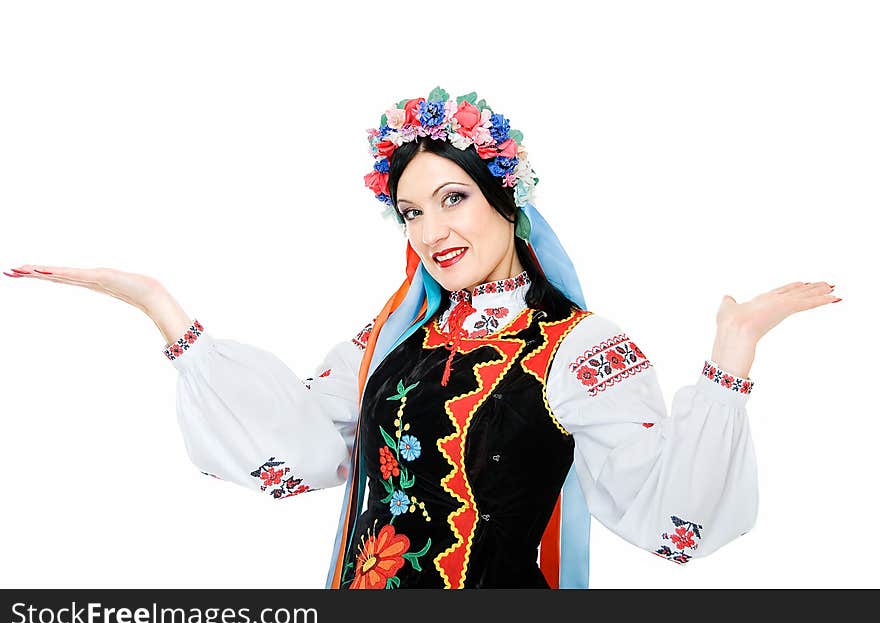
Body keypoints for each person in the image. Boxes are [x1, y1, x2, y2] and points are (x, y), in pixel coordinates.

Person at [5, 87, 841, 589]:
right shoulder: (393, 340)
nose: (432, 228)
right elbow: (299, 452)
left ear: (504, 200)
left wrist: (733, 353)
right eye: (411, 211)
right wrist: (163, 310)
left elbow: (671, 515)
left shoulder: (580, 348)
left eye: (452, 199)